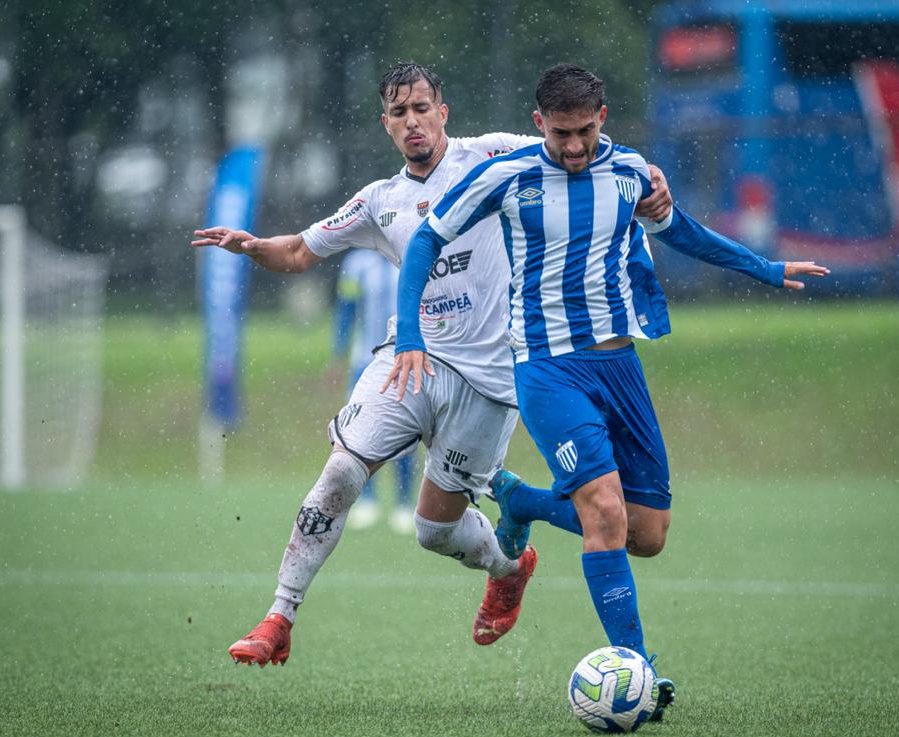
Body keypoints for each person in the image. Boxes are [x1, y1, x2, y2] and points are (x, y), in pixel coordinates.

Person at [387, 63, 830, 721]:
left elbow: (677, 230)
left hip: (621, 369)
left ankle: (527, 502)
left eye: (586, 132)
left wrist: (762, 268)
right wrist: (407, 338)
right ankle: (640, 676)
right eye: (561, 133)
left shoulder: (630, 173)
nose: (574, 147)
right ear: (539, 124)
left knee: (647, 534)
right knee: (603, 511)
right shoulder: (507, 177)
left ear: (604, 120)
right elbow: (426, 239)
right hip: (546, 370)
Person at [192, 62, 673, 667]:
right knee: (342, 473)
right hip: (409, 360)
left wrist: (651, 179)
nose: (413, 122)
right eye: (399, 113)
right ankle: (278, 617)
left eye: (422, 108)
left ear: (443, 111)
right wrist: (254, 246)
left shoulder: (495, 154)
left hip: (492, 383)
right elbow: (298, 251)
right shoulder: (379, 201)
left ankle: (508, 567)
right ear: (386, 124)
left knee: (434, 531)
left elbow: (582, 147)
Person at [328, 247, 417, 534]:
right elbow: (346, 310)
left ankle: (404, 503)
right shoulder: (355, 264)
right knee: (360, 433)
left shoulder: (410, 259)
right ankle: (367, 499)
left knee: (405, 430)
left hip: (401, 359)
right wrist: (337, 356)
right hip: (363, 362)